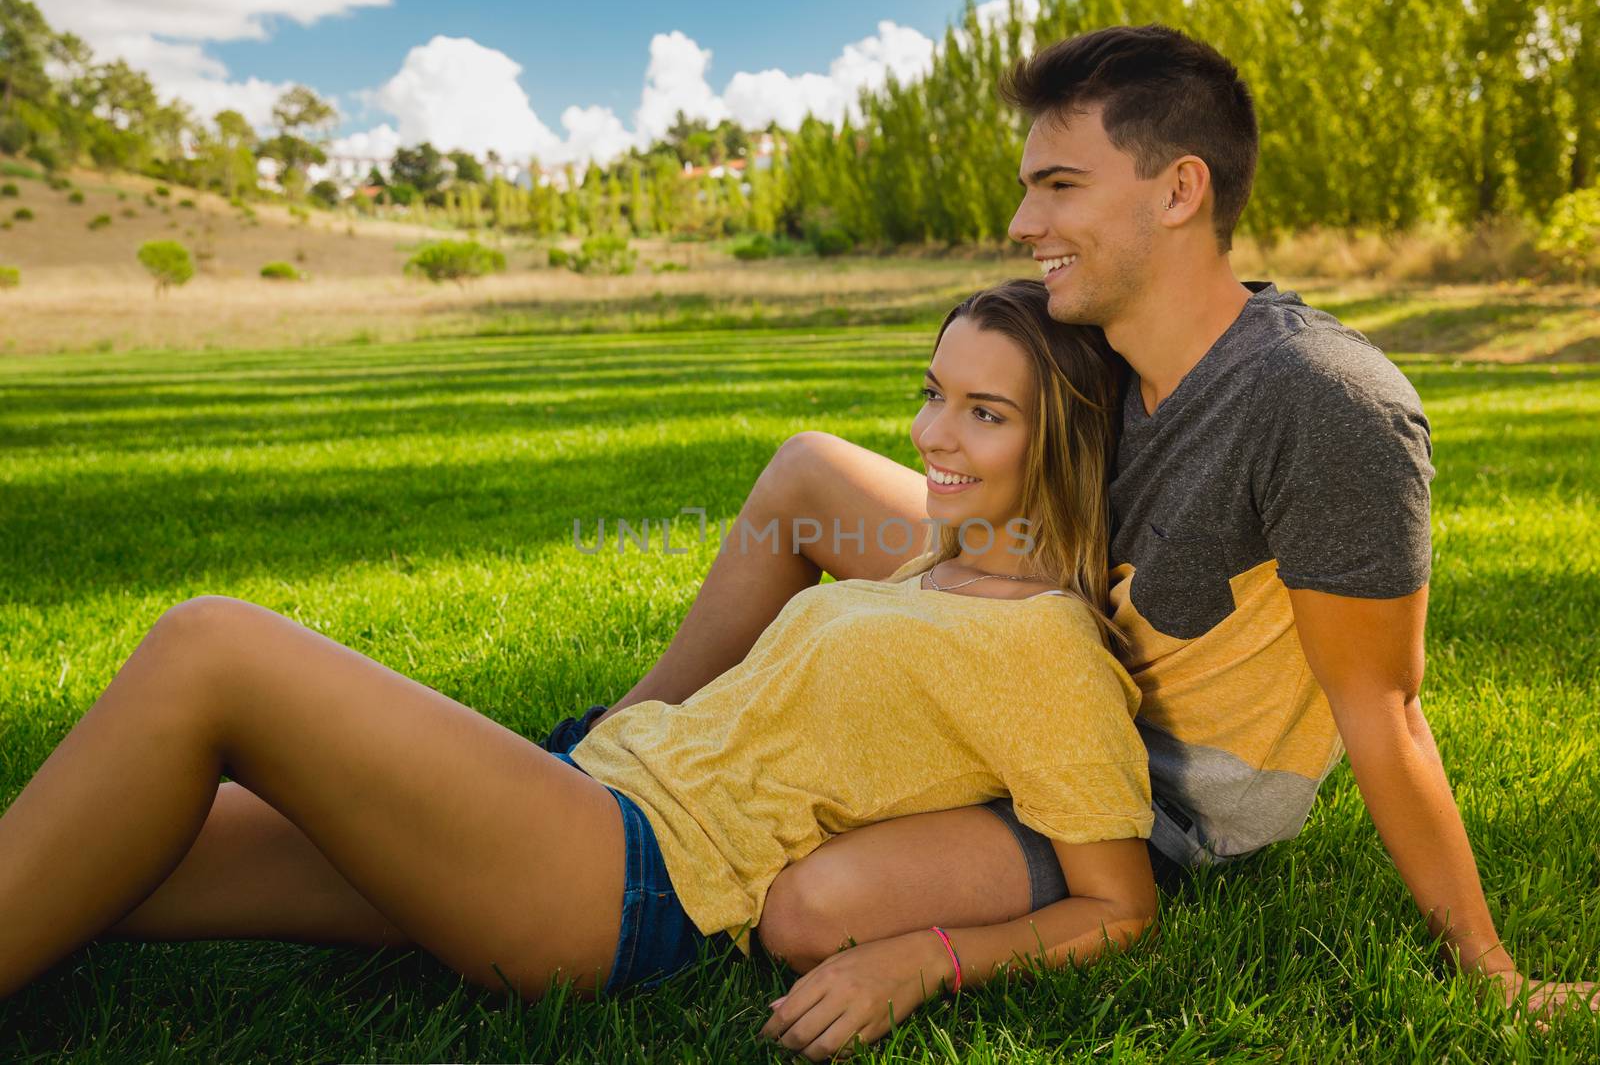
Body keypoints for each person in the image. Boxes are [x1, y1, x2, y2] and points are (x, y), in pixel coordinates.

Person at [557, 24, 1600, 1043]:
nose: (1022, 220)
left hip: (1139, 776)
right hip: (1049, 624)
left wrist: (1489, 969)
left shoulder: (1322, 405)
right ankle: (613, 745)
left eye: (1059, 185)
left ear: (1179, 190)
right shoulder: (1100, 339)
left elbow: (1385, 710)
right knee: (808, 472)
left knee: (813, 905)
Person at [0, 280, 1160, 1059]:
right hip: (583, 786)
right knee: (105, 852)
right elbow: (812, 480)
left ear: (1064, 437)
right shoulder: (945, 554)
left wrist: (926, 957)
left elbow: (1119, 904)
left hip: (624, 879)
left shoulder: (1045, 649)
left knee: (214, 646)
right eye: (931, 391)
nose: (928, 434)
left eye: (982, 412)